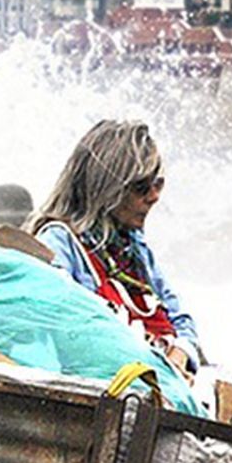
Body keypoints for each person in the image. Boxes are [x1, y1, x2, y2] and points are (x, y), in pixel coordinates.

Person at [26, 119, 202, 382]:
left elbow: (182, 322)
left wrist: (178, 356)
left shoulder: (134, 246)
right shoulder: (58, 243)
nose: (154, 196)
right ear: (105, 189)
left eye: (159, 183)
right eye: (141, 187)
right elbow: (64, 328)